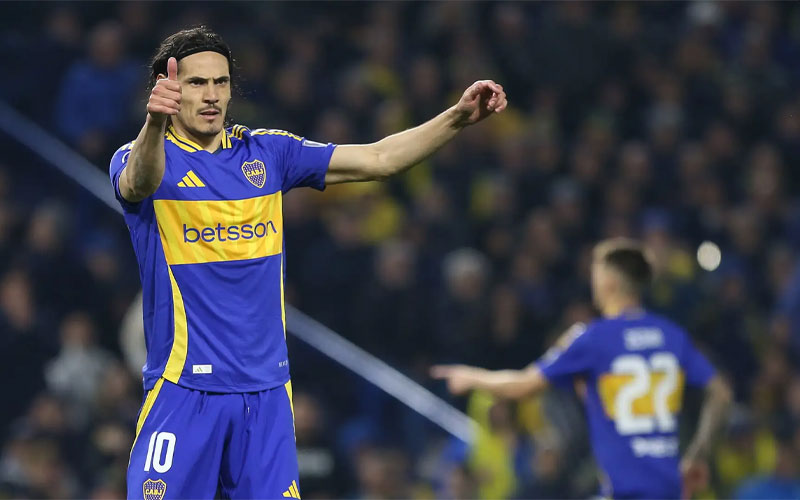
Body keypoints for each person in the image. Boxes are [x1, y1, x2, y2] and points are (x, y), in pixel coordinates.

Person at [108, 26, 506, 499]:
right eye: (197, 83)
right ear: (168, 88)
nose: (212, 95)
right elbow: (138, 182)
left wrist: (456, 118)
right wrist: (155, 124)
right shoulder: (140, 157)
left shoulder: (267, 152)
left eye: (221, 82)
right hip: (184, 388)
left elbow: (379, 159)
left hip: (267, 393)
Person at [432, 238, 732, 499]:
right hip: (669, 490)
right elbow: (721, 393)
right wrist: (698, 453)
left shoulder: (593, 338)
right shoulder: (671, 335)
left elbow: (523, 385)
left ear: (609, 282)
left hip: (626, 491)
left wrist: (472, 377)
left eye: (595, 276)